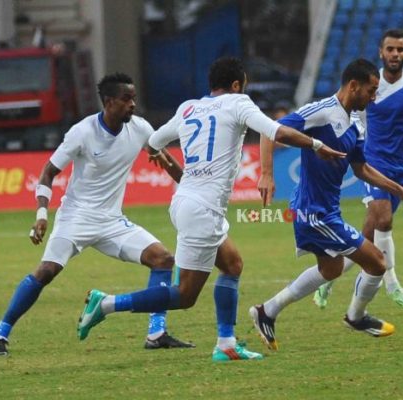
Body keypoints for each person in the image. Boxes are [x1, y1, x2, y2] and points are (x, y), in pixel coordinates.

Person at [75, 57, 346, 362]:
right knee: (184, 295)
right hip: (202, 209)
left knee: (232, 265)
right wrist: (317, 146)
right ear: (236, 85)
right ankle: (107, 304)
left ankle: (226, 344)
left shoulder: (189, 107)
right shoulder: (238, 102)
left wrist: (169, 163)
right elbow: (276, 132)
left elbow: (152, 143)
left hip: (187, 202)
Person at [0, 73, 194, 357]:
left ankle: (156, 333)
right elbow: (49, 172)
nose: (133, 104)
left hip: (112, 222)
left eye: (133, 98)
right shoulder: (82, 132)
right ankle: (0, 333)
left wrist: (193, 189)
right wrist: (42, 213)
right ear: (109, 102)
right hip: (75, 218)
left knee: (163, 259)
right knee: (46, 272)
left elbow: (167, 161)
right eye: (126, 99)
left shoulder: (141, 129)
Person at [249, 59, 403, 351]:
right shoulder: (322, 112)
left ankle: (267, 311)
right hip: (313, 213)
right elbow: (271, 130)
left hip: (327, 211)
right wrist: (266, 173)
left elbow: (362, 169)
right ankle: (356, 317)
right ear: (353, 86)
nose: (374, 97)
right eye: (371, 90)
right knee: (376, 262)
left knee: (330, 269)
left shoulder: (355, 126)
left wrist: (401, 192)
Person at [310, 28, 403, 310]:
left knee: (367, 238)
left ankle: (328, 278)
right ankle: (393, 284)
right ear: (381, 52)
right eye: (390, 49)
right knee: (384, 220)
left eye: (400, 50)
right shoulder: (370, 85)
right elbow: (344, 108)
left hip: (401, 167)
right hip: (372, 163)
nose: (395, 54)